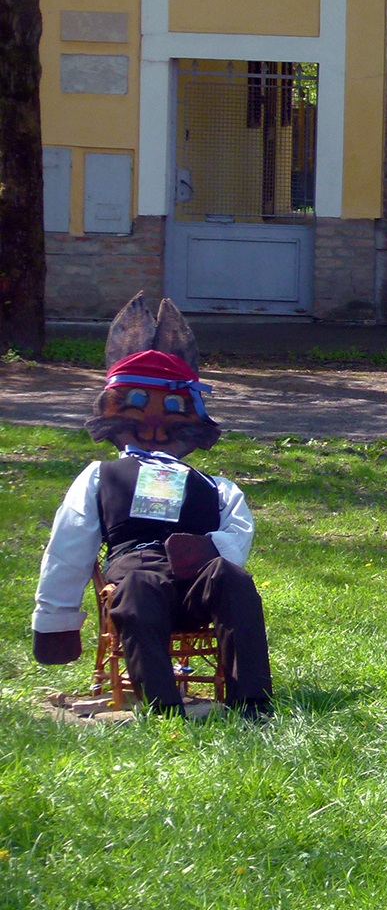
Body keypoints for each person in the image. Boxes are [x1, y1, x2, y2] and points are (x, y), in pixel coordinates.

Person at [31, 294, 273, 718]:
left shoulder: (216, 487)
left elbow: (239, 533)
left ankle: (252, 702)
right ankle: (164, 707)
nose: (157, 425)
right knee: (139, 584)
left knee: (234, 580)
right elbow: (69, 546)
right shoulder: (100, 476)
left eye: (174, 407)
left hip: (197, 583)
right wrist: (56, 620)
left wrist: (209, 549)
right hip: (136, 576)